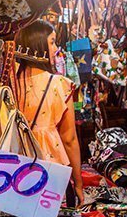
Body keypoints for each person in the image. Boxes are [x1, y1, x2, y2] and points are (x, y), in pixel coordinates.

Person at [13, 20, 84, 205]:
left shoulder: (9, 82)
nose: (56, 48)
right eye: (52, 42)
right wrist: (78, 184)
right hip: (51, 169)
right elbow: (69, 139)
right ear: (38, 44)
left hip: (15, 171)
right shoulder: (59, 85)